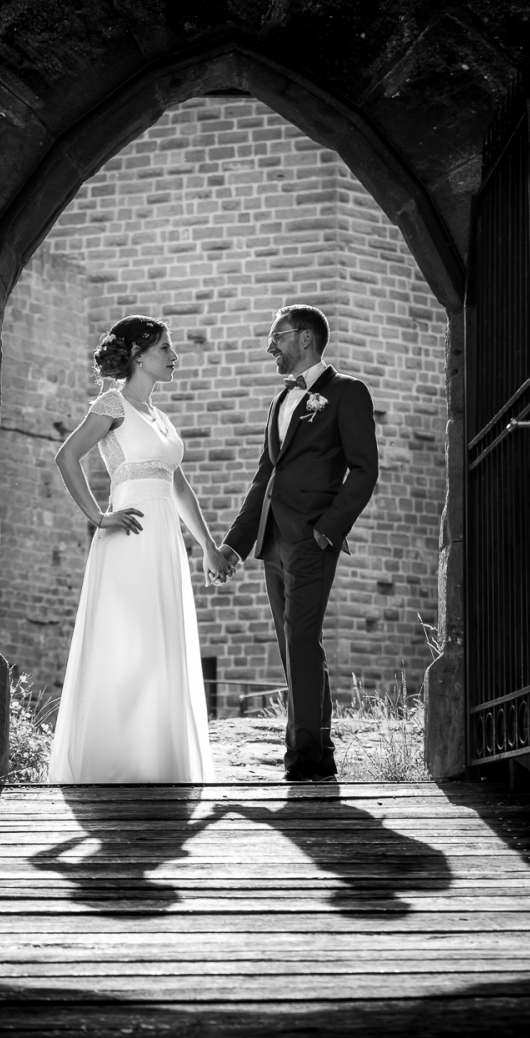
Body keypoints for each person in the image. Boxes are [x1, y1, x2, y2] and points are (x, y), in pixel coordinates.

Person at [47, 315, 221, 783]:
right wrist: (97, 516)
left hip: (165, 541)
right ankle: (113, 760)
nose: (174, 357)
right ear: (139, 356)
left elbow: (179, 487)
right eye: (166, 348)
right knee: (129, 643)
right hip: (128, 536)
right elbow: (66, 456)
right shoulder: (113, 403)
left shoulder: (160, 418)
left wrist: (206, 545)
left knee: (160, 643)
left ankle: (155, 760)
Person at [215, 305, 379, 782]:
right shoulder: (279, 400)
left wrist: (327, 529)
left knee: (302, 640)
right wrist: (235, 545)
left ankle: (304, 758)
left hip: (311, 538)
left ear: (305, 337)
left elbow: (364, 468)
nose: (271, 347)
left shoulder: (348, 393)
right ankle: (318, 752)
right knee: (294, 646)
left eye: (277, 337)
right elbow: (265, 476)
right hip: (272, 541)